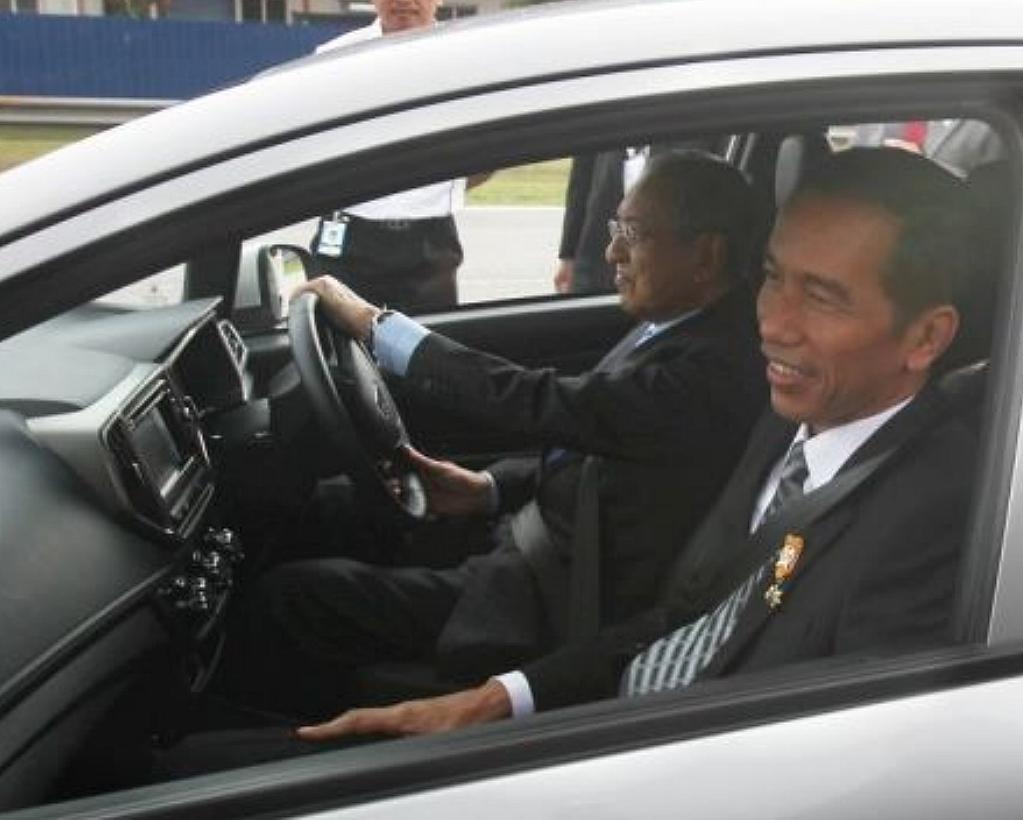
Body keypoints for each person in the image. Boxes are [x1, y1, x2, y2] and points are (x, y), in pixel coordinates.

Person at [290, 146, 983, 740]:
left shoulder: (934, 515)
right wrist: (497, 701)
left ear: (926, 337)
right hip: (596, 707)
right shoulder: (785, 426)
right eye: (773, 278)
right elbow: (687, 614)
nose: (771, 323)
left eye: (823, 297)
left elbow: (851, 761)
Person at [233, 151, 768, 722]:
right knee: (328, 510)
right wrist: (486, 488)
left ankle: (270, 756)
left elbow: (543, 402)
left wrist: (379, 327)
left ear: (706, 254)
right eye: (614, 228)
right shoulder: (675, 327)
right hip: (525, 537)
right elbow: (599, 443)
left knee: (294, 595)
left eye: (632, 233)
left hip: (539, 598)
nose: (611, 251)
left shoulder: (713, 369)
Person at [305, 0, 487, 311]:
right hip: (349, 240)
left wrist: (436, 187)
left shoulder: (466, 60)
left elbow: (487, 151)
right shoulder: (333, 60)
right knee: (336, 351)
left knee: (425, 351)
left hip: (429, 243)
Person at [556, 138, 737, 294]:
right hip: (594, 259)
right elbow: (582, 172)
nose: (613, 253)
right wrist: (569, 255)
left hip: (669, 276)